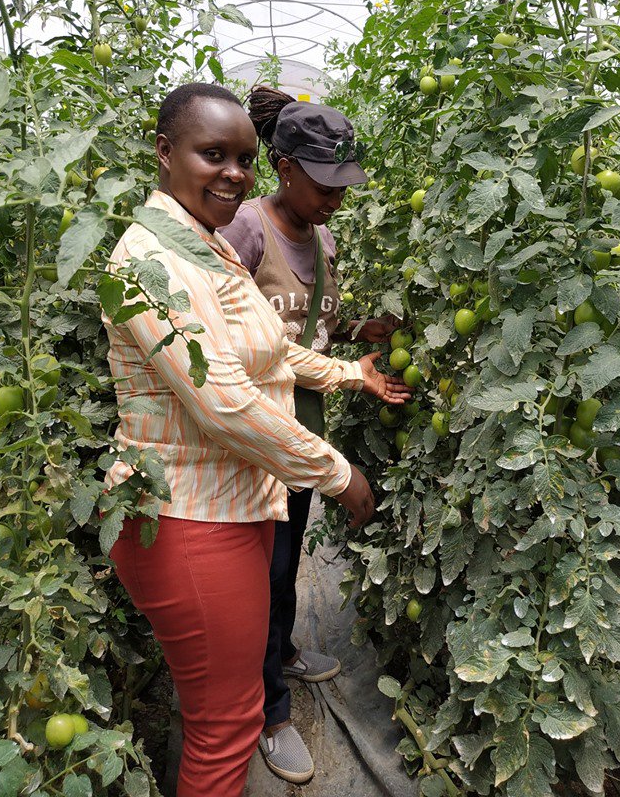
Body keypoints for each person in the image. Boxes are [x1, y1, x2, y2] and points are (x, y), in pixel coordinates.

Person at [102, 83, 410, 797]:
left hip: (233, 502)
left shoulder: (204, 245)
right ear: (164, 152)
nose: (234, 174)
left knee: (225, 715)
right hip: (189, 520)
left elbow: (271, 347)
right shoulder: (150, 263)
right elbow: (227, 404)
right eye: (214, 154)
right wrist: (338, 472)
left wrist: (345, 373)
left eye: (241, 157)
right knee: (225, 731)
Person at [219, 85, 398, 784]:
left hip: (305, 431)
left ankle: (283, 652)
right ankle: (271, 713)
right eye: (325, 185)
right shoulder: (245, 231)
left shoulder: (321, 235)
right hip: (254, 437)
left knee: (286, 566)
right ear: (284, 166)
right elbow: (239, 348)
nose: (336, 200)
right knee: (262, 573)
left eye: (344, 187)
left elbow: (312, 327)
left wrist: (360, 335)